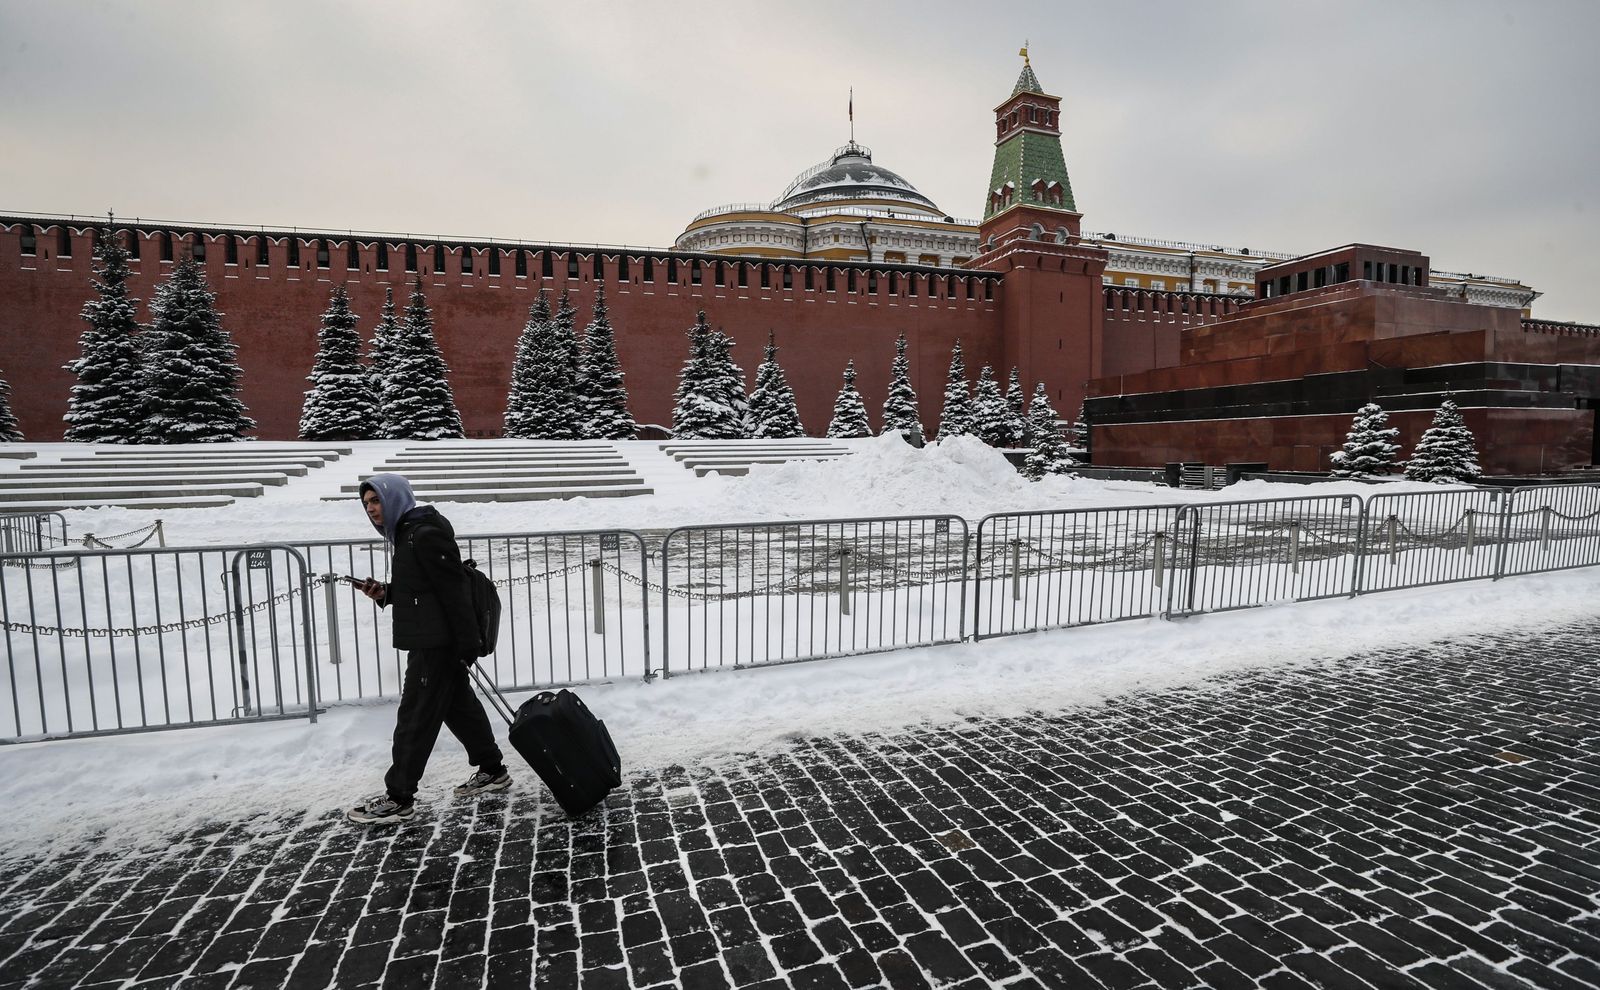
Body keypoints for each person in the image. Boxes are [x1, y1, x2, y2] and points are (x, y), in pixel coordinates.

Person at [347, 473, 512, 825]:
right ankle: (493, 769)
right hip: (435, 640)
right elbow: (424, 592)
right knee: (458, 707)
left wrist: (467, 646)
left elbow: (454, 592)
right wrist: (385, 593)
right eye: (366, 504)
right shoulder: (407, 534)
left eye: (376, 501)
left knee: (415, 717)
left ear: (394, 498)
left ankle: (399, 797)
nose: (372, 509)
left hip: (436, 645)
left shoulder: (422, 534)